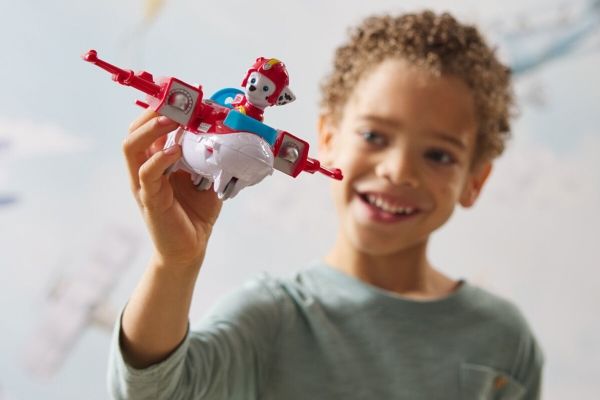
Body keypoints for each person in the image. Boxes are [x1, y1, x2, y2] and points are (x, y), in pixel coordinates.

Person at [108, 10, 543, 399]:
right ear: (328, 139)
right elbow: (153, 394)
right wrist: (176, 263)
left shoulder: (505, 340)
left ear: (475, 181)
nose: (398, 171)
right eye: (373, 136)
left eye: (439, 155)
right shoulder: (272, 317)